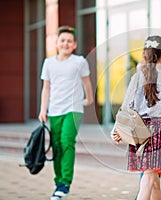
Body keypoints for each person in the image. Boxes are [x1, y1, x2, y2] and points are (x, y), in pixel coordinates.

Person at [111, 35, 161, 200]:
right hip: (157, 132)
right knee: (148, 178)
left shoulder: (136, 77)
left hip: (138, 132)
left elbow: (125, 107)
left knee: (153, 179)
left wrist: (116, 129)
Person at [38, 25, 93, 200]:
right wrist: (42, 109)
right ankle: (58, 181)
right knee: (57, 146)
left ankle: (65, 183)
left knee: (66, 141)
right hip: (54, 110)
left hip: (73, 109)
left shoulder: (79, 61)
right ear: (57, 43)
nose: (66, 43)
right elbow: (46, 88)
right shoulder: (49, 62)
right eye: (62, 40)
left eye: (69, 41)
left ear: (74, 44)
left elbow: (86, 82)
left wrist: (89, 99)